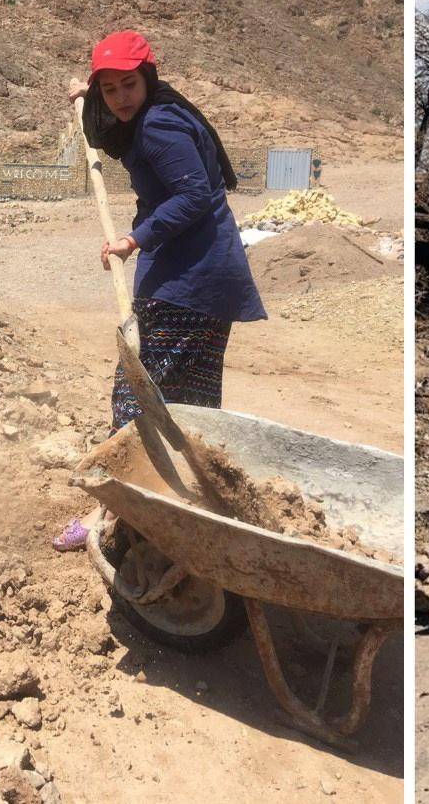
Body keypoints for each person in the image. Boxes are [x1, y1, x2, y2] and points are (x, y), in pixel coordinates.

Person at [52, 30, 267, 550]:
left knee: (137, 394)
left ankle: (107, 512)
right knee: (190, 400)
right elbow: (112, 130)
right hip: (207, 274)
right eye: (110, 90)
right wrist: (87, 99)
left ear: (147, 79)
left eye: (129, 85)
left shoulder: (160, 127)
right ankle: (185, 501)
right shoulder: (158, 111)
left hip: (186, 278)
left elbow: (193, 193)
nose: (121, 98)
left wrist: (134, 238)